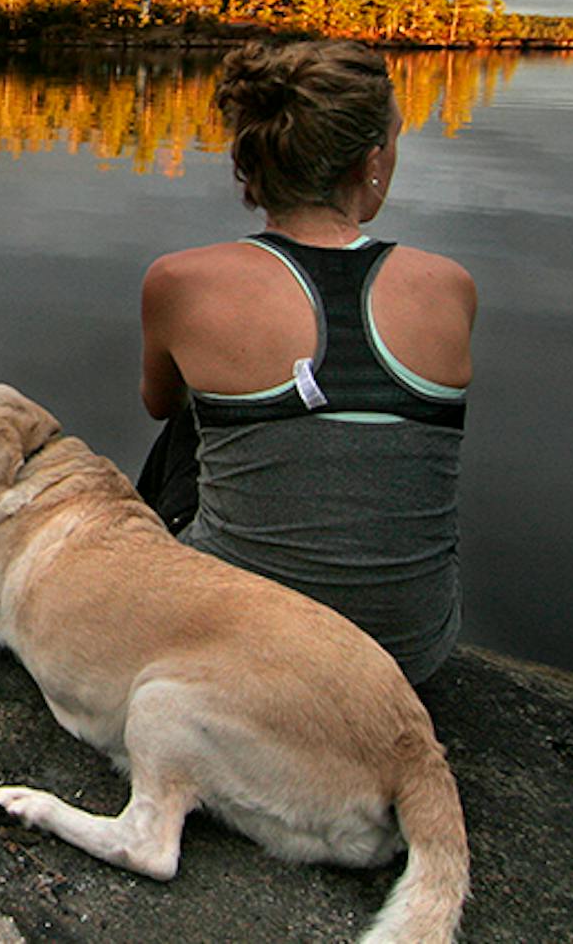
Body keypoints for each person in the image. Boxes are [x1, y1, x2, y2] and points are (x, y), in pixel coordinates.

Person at [136, 39, 477, 684]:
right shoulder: (447, 284)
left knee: (189, 421)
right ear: (372, 161)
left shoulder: (180, 279)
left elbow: (160, 404)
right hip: (409, 655)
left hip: (240, 649)